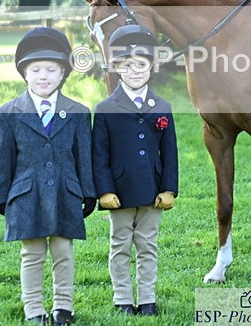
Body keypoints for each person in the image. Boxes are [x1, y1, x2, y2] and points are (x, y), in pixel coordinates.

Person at [0, 27, 96, 325]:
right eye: (35, 70)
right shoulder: (7, 113)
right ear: (25, 73)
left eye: (51, 70)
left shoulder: (77, 112)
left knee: (63, 251)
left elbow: (84, 156)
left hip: (65, 192)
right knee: (32, 253)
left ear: (63, 74)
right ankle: (34, 309)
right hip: (27, 195)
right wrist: (0, 196)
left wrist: (88, 192)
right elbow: (0, 160)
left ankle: (63, 307)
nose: (43, 76)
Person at [92, 25, 179, 317]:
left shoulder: (162, 106)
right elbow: (99, 155)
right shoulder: (105, 108)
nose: (134, 71)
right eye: (127, 65)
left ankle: (147, 299)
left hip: (153, 191)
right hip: (120, 191)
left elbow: (170, 153)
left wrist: (169, 188)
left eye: (141, 64)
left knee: (147, 245)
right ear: (116, 68)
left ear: (152, 67)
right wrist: (105, 190)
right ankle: (122, 299)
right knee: (120, 246)